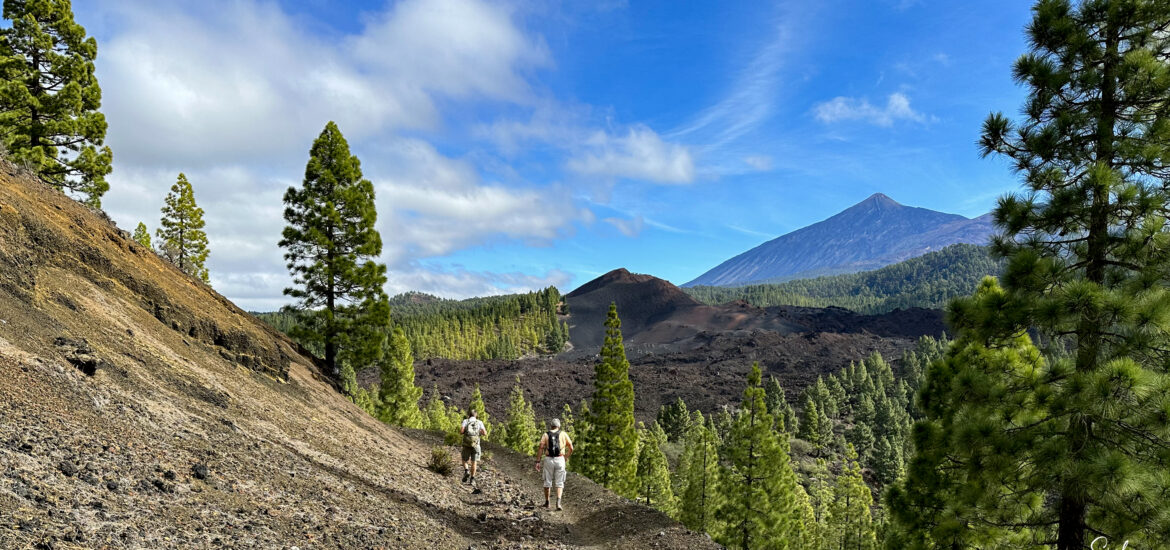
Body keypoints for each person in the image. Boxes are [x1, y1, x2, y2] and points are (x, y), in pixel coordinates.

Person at [535, 418, 573, 511]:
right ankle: (558, 503)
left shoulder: (546, 434)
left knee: (547, 481)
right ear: (559, 426)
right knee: (559, 482)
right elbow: (571, 447)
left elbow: (541, 447)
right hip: (560, 459)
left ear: (551, 426)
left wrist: (538, 461)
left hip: (548, 460)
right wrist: (566, 457)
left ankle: (547, 503)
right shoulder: (563, 434)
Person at [460, 410, 487, 486]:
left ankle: (466, 470)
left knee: (464, 459)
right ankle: (472, 479)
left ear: (469, 415)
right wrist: (479, 432)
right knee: (474, 462)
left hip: (466, 444)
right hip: (476, 445)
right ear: (476, 416)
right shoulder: (479, 422)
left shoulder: (466, 421)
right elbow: (484, 433)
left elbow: (461, 431)